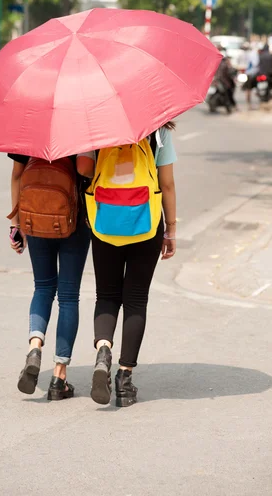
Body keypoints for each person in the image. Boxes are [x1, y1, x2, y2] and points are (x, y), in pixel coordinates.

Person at [89, 125, 177, 407]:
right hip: (146, 222)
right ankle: (124, 380)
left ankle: (103, 349)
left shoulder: (95, 125)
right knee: (136, 299)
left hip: (105, 221)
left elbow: (83, 171)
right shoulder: (159, 131)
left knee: (106, 294)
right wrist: (171, 228)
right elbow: (168, 184)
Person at [9, 152, 94, 400]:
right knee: (68, 296)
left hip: (34, 215)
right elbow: (86, 171)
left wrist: (16, 224)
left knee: (43, 287)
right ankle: (59, 377)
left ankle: (35, 346)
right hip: (74, 219)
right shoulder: (84, 126)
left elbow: (16, 175)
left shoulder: (30, 124)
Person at [242, 43, 260, 109]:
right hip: (252, 73)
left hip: (249, 73)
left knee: (248, 89)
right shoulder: (254, 54)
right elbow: (255, 63)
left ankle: (249, 104)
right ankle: (249, 105)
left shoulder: (249, 54)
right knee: (250, 89)